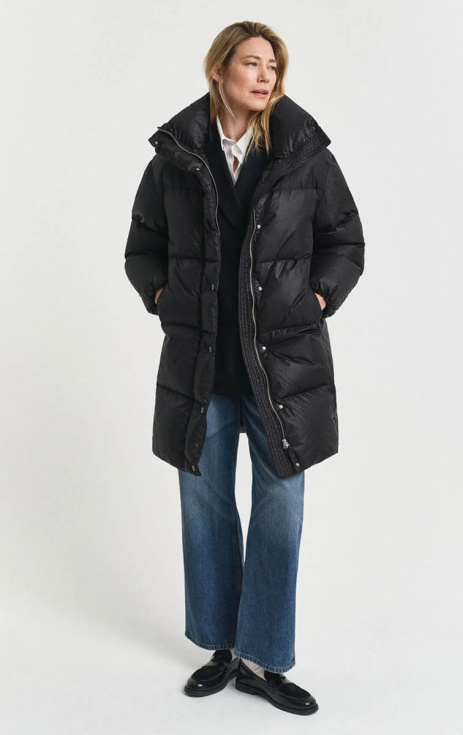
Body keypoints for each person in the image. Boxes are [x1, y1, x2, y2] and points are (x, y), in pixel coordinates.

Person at [124, 20, 365, 716]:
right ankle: (221, 648)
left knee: (280, 507)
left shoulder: (304, 155)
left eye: (273, 67)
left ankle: (263, 658)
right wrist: (164, 298)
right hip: (200, 362)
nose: (265, 77)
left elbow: (346, 241)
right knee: (204, 505)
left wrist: (315, 298)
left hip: (282, 367)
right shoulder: (175, 159)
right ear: (219, 70)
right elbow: (142, 247)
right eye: (253, 63)